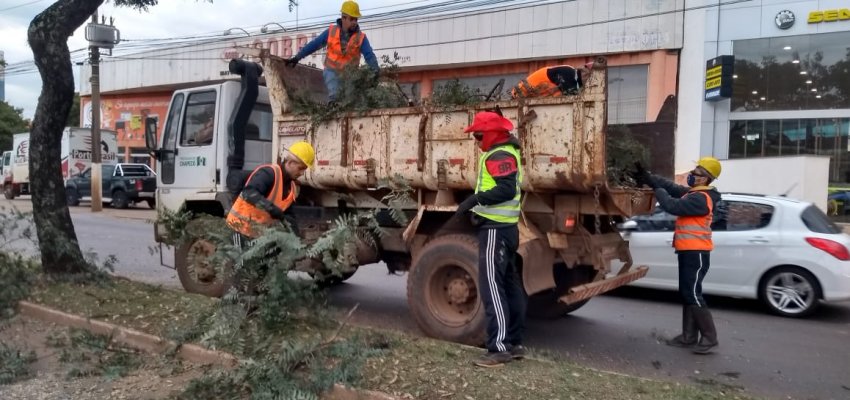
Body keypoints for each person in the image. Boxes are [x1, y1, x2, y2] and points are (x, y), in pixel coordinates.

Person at [455, 111, 527, 368]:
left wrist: (474, 201)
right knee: (508, 286)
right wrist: (478, 212)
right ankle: (515, 343)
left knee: (491, 288)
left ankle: (498, 349)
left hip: (496, 231)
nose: (476, 140)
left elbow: (506, 189)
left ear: (492, 134)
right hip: (504, 227)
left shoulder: (500, 153)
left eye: (478, 135)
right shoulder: (506, 151)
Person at [633, 157, 722, 354]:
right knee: (687, 292)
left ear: (705, 178)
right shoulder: (695, 193)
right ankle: (688, 337)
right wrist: (649, 178)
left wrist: (658, 191)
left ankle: (709, 337)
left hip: (697, 252)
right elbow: (672, 188)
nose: (692, 174)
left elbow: (672, 205)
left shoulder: (701, 199)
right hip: (689, 250)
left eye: (697, 172)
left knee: (692, 294)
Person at [284, 0, 380, 102]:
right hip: (332, 72)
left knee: (350, 100)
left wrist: (375, 72)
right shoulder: (331, 32)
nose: (354, 22)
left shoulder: (361, 38)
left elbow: (369, 56)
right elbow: (314, 45)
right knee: (335, 93)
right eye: (351, 19)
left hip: (350, 76)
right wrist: (297, 57)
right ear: (343, 18)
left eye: (356, 19)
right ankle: (333, 102)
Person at [226, 141, 315, 244]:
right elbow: (249, 193)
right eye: (300, 168)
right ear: (290, 163)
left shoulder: (291, 188)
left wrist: (297, 241)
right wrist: (271, 208)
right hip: (238, 228)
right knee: (241, 260)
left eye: (304, 170)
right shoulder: (269, 173)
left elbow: (289, 217)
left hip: (257, 234)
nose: (302, 173)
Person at [511, 62, 594, 98]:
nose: (588, 78)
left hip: (530, 97)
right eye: (588, 74)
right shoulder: (569, 71)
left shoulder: (576, 84)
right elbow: (568, 91)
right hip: (520, 93)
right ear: (583, 69)